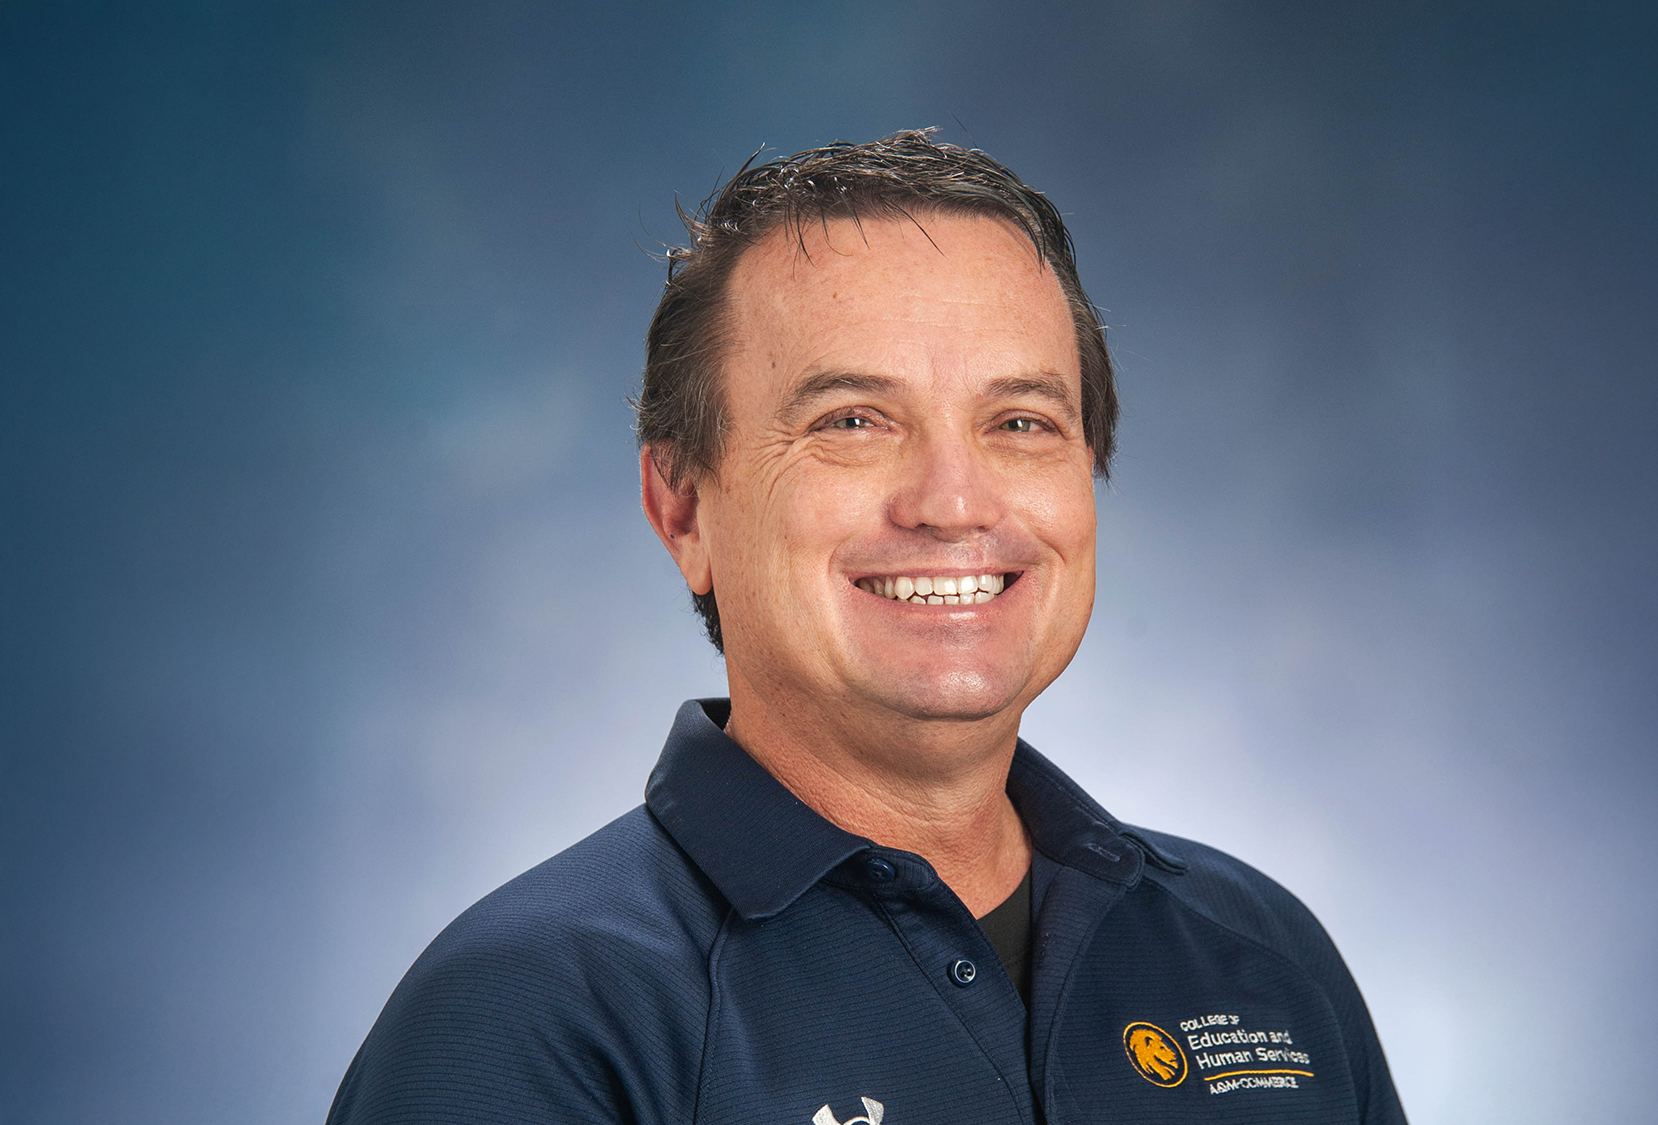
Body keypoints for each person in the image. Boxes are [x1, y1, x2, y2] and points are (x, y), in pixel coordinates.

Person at [327, 130, 1405, 1125]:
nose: (952, 502)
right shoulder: (527, 1017)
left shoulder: (1260, 955)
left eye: (1020, 422)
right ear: (683, 508)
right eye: (852, 422)